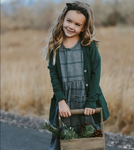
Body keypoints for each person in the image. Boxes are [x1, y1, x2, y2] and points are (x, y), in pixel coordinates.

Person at [42, 1, 110, 149]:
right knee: (64, 141)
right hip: (66, 102)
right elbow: (53, 75)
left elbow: (95, 74)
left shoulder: (88, 45)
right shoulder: (55, 46)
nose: (71, 26)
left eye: (77, 24)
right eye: (69, 21)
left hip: (86, 101)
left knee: (89, 140)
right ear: (63, 20)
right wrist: (60, 101)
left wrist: (91, 101)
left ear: (84, 27)